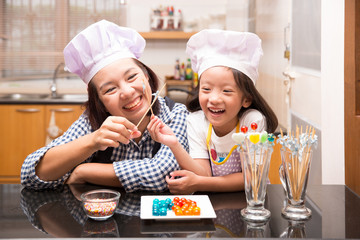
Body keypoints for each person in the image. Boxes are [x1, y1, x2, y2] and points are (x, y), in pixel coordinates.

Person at [21, 20, 189, 191]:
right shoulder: (92, 122)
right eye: (110, 89)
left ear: (146, 76)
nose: (127, 92)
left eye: (131, 77)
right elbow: (30, 175)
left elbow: (164, 174)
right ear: (99, 101)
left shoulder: (175, 114)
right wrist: (93, 141)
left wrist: (83, 171)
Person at [148, 29, 278, 194]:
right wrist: (173, 144)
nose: (214, 99)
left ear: (246, 99)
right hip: (217, 205)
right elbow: (204, 174)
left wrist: (200, 184)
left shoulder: (252, 121)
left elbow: (252, 177)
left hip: (253, 203)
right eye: (207, 89)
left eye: (227, 91)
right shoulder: (196, 122)